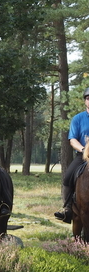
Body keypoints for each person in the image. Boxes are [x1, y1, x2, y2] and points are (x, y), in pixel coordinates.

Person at [54, 88, 89, 223]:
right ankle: (67, 209)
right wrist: (83, 149)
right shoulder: (78, 119)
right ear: (85, 101)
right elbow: (72, 139)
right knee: (68, 177)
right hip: (83, 156)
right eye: (88, 98)